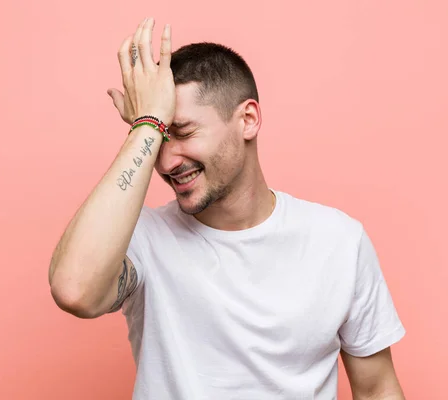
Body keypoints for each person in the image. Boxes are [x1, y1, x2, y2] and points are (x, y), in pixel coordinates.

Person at [49, 17, 406, 400]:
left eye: (183, 133)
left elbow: (376, 388)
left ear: (248, 120)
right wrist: (146, 125)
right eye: (158, 141)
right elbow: (74, 290)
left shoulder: (338, 241)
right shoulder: (142, 239)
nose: (166, 162)